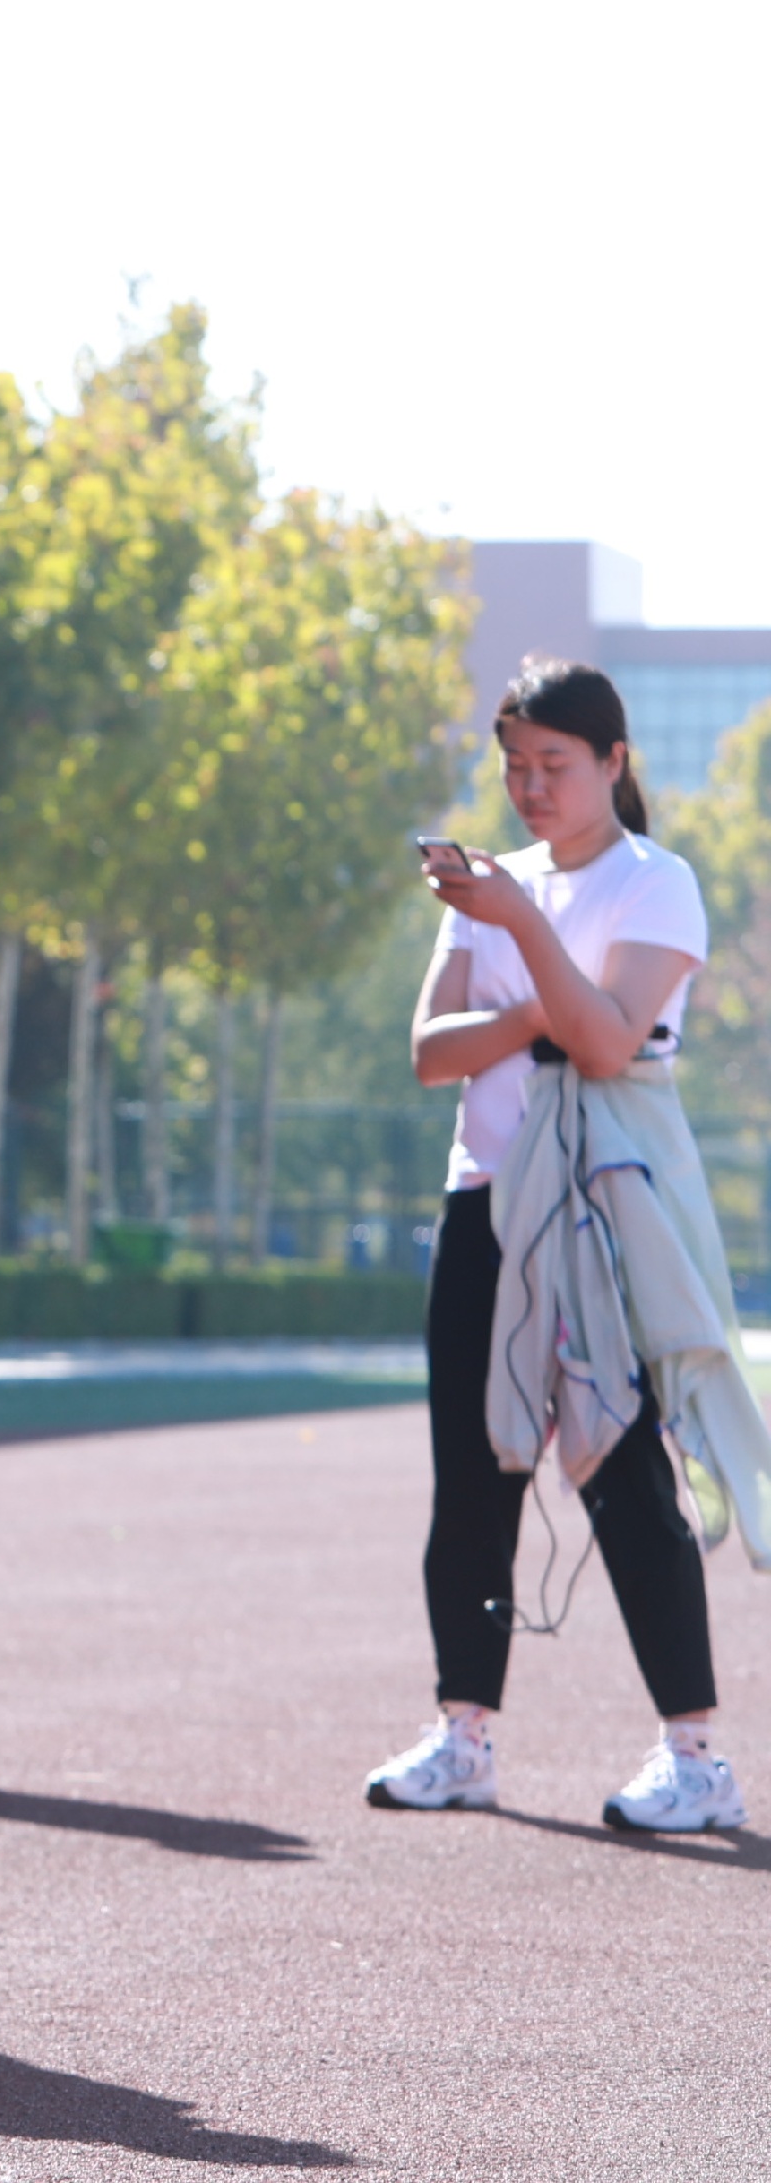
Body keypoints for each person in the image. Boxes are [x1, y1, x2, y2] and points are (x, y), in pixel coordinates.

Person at [372, 660, 747, 1833]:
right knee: (470, 1477)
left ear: (611, 762)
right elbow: (430, 1051)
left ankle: (695, 1756)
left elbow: (603, 1044)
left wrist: (523, 937)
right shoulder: (488, 887)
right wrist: (534, 997)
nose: (530, 787)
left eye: (555, 764)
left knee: (621, 1470)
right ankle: (463, 1734)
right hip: (481, 1200)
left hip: (595, 1214)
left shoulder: (653, 881)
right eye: (514, 765)